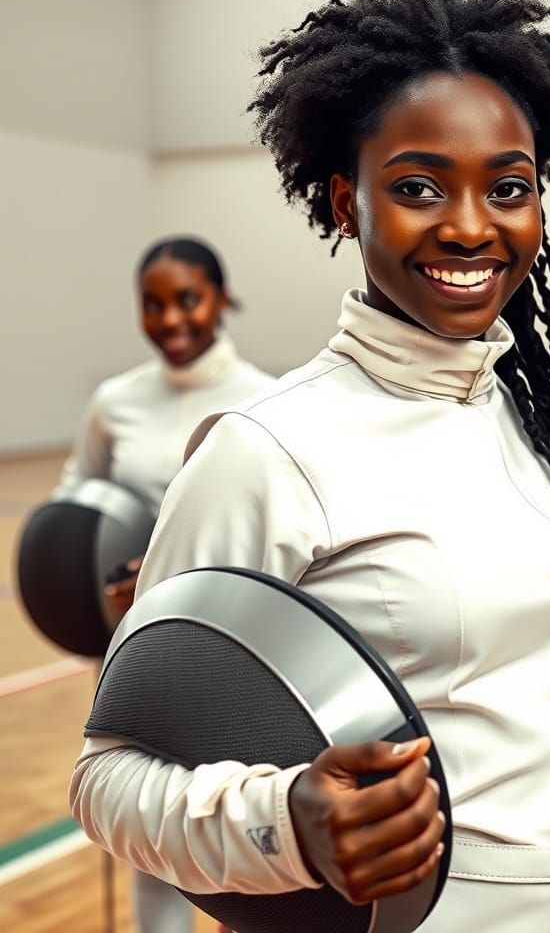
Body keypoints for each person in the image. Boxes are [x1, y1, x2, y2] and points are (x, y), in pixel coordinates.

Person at [69, 0, 550, 932]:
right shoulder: (265, 452)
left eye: (507, 189)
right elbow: (112, 775)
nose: (472, 225)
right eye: (420, 187)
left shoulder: (548, 434)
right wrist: (289, 823)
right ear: (347, 203)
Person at [58, 236, 274, 932]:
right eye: (152, 305)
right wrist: (103, 588)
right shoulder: (114, 403)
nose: (171, 320)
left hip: (240, 657)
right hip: (138, 660)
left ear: (221, 298)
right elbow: (75, 515)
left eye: (188, 299)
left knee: (247, 831)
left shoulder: (265, 400)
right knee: (153, 841)